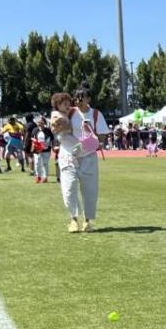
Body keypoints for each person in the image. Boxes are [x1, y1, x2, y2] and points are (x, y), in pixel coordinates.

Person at [53, 87, 108, 232]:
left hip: (88, 156)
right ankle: (73, 219)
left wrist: (96, 141)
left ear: (88, 99)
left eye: (81, 98)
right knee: (69, 188)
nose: (78, 101)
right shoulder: (69, 112)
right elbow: (55, 125)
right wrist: (59, 127)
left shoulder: (96, 114)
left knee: (90, 190)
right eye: (76, 98)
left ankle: (88, 221)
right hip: (68, 155)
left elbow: (102, 134)